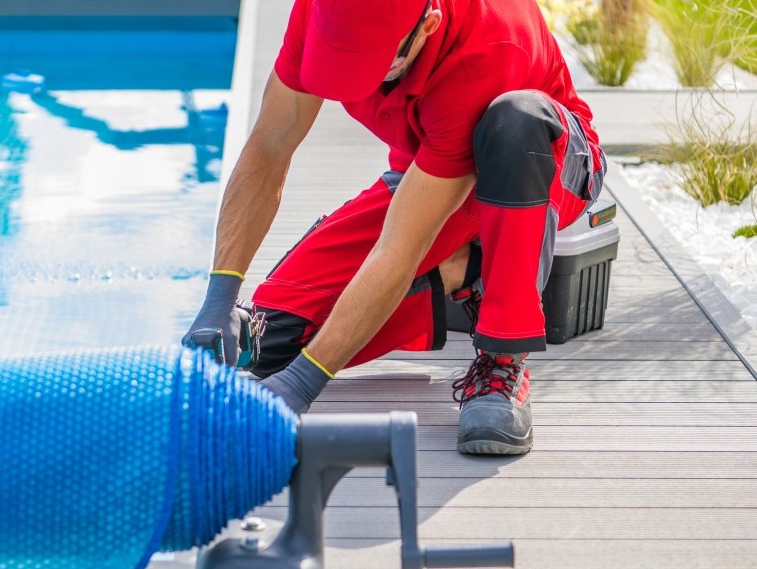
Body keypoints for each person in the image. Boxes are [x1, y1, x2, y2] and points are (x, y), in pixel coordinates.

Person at [182, 0, 606, 455]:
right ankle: (469, 269)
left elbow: (399, 248)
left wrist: (302, 386)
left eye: (370, 63)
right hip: (426, 171)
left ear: (427, 26)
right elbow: (269, 147)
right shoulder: (320, 10)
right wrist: (220, 297)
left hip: (544, 162)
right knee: (276, 337)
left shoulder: (488, 44)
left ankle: (503, 362)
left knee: (516, 118)